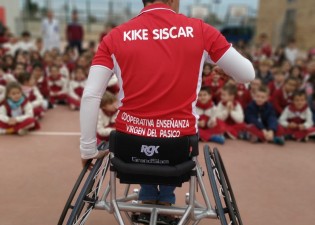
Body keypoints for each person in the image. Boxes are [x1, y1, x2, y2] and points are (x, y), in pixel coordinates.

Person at [79, 0, 255, 219]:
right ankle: (165, 201)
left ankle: (148, 196)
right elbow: (247, 74)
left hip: (129, 145)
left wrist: (88, 149)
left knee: (142, 141)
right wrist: (229, 72)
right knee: (172, 147)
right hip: (179, 147)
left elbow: (91, 95)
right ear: (173, 0)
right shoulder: (200, 30)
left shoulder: (115, 36)